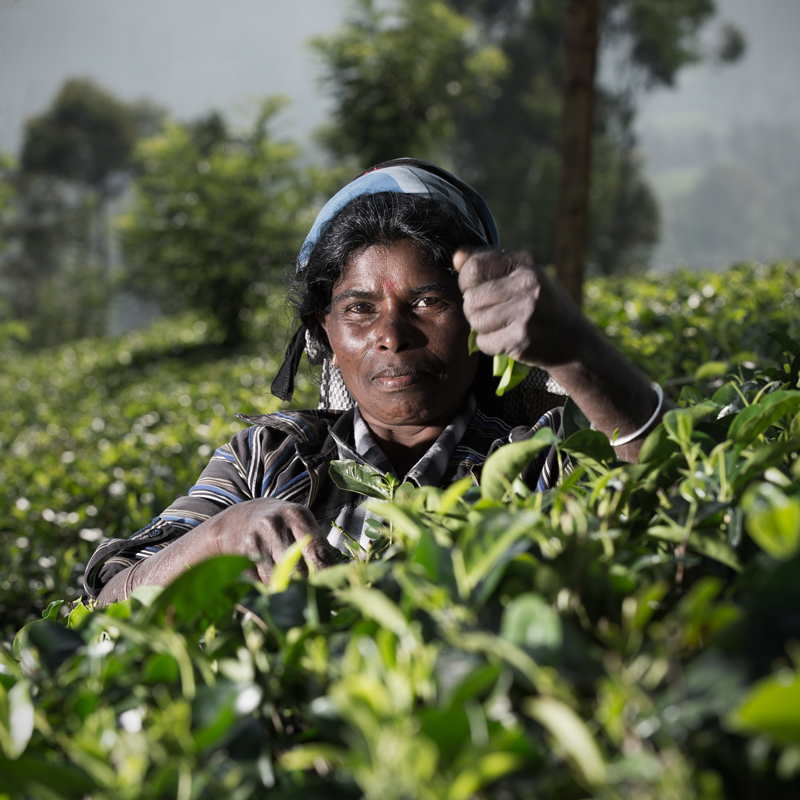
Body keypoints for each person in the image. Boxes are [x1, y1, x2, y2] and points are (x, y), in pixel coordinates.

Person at [84, 158, 666, 605]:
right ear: (326, 334)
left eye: (429, 300)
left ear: (479, 316)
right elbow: (109, 600)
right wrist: (218, 536)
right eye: (359, 309)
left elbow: (676, 512)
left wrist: (578, 351)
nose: (392, 335)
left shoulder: (538, 456)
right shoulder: (268, 458)